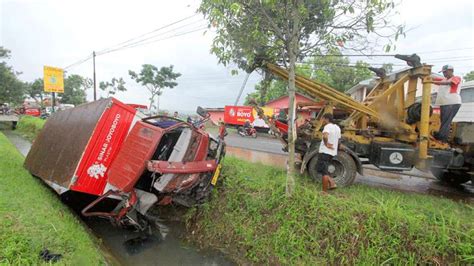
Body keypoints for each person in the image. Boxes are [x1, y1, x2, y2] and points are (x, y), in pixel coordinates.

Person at [432, 65, 462, 142]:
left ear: (451, 70)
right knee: (444, 121)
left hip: (452, 102)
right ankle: (442, 136)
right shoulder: (444, 79)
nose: (444, 74)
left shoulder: (456, 78)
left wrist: (432, 81)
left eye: (445, 72)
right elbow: (433, 78)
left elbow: (449, 83)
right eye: (443, 72)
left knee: (446, 121)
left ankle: (442, 138)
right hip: (444, 103)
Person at [317, 113, 341, 192]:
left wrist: (326, 144)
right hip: (332, 152)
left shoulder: (327, 126)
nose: (323, 121)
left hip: (325, 152)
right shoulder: (337, 128)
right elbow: (338, 139)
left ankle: (324, 192)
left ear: (327, 119)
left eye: (323, 119)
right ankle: (332, 183)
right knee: (323, 169)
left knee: (324, 172)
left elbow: (325, 136)